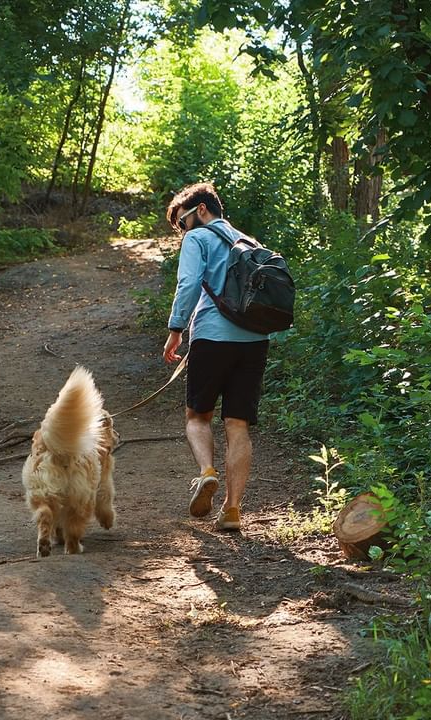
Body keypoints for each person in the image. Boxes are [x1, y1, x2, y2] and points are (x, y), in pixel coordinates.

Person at [162, 182, 269, 532]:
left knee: (197, 416)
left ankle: (207, 473)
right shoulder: (250, 242)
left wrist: (176, 328)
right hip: (255, 339)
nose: (182, 231)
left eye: (182, 222)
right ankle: (233, 510)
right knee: (238, 425)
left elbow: (189, 283)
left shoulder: (198, 239)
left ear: (202, 210)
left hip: (213, 335)